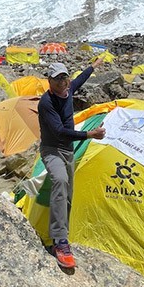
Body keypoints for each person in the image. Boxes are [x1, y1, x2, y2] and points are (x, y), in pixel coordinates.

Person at [38, 58, 106, 268]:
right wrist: (90, 134)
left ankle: (62, 236)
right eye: (57, 79)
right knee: (59, 180)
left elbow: (81, 79)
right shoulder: (46, 103)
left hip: (68, 151)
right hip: (52, 150)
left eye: (64, 78)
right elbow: (59, 131)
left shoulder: (69, 88)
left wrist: (94, 66)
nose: (62, 83)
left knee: (67, 195)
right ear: (49, 81)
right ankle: (60, 241)